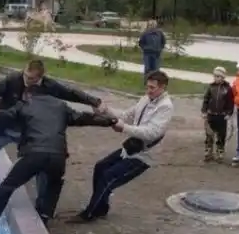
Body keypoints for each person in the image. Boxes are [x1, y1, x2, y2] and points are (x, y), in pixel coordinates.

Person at [0, 59, 107, 222]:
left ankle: (42, 209)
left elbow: (71, 93)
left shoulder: (49, 86)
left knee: (42, 170)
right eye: (25, 75)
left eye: (31, 78)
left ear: (40, 77)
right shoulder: (12, 80)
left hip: (26, 134)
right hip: (1, 130)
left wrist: (95, 102)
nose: (26, 80)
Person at [0, 89, 118, 230]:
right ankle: (44, 215)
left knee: (7, 186)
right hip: (58, 156)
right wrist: (109, 121)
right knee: (54, 184)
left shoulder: (25, 105)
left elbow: (1, 115)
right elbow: (84, 117)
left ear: (28, 94)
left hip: (34, 155)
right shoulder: (61, 106)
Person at [66, 70, 173, 224]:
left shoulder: (166, 107)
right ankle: (101, 208)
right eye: (147, 86)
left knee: (108, 177)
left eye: (152, 88)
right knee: (100, 167)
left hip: (144, 155)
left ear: (162, 87)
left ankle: (89, 213)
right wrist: (105, 111)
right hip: (131, 147)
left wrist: (124, 128)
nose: (148, 91)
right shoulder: (145, 99)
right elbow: (125, 115)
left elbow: (152, 133)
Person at [201, 66, 234, 161]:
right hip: (211, 115)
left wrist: (229, 113)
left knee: (221, 135)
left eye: (218, 76)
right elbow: (206, 99)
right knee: (209, 134)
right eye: (215, 76)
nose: (216, 78)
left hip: (222, 116)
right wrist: (204, 111)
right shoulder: (211, 87)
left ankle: (220, 151)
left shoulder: (228, 88)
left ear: (223, 77)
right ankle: (208, 151)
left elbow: (230, 102)